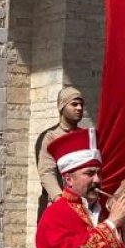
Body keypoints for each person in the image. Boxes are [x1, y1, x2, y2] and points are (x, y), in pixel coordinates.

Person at [34, 86, 86, 219]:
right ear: (62, 107)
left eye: (81, 104)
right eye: (74, 104)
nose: (79, 108)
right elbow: (46, 172)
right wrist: (60, 200)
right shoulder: (50, 137)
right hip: (58, 204)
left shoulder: (85, 136)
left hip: (83, 205)